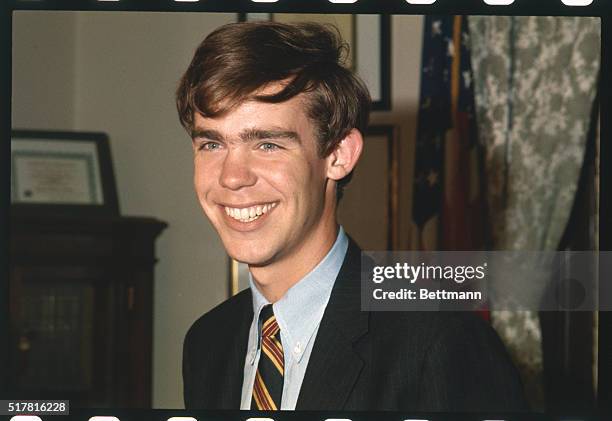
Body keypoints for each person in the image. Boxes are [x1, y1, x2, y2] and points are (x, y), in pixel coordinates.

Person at [176, 21, 527, 412]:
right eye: (211, 143)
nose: (232, 177)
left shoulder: (440, 341)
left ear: (339, 155)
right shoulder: (207, 342)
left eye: (268, 144)